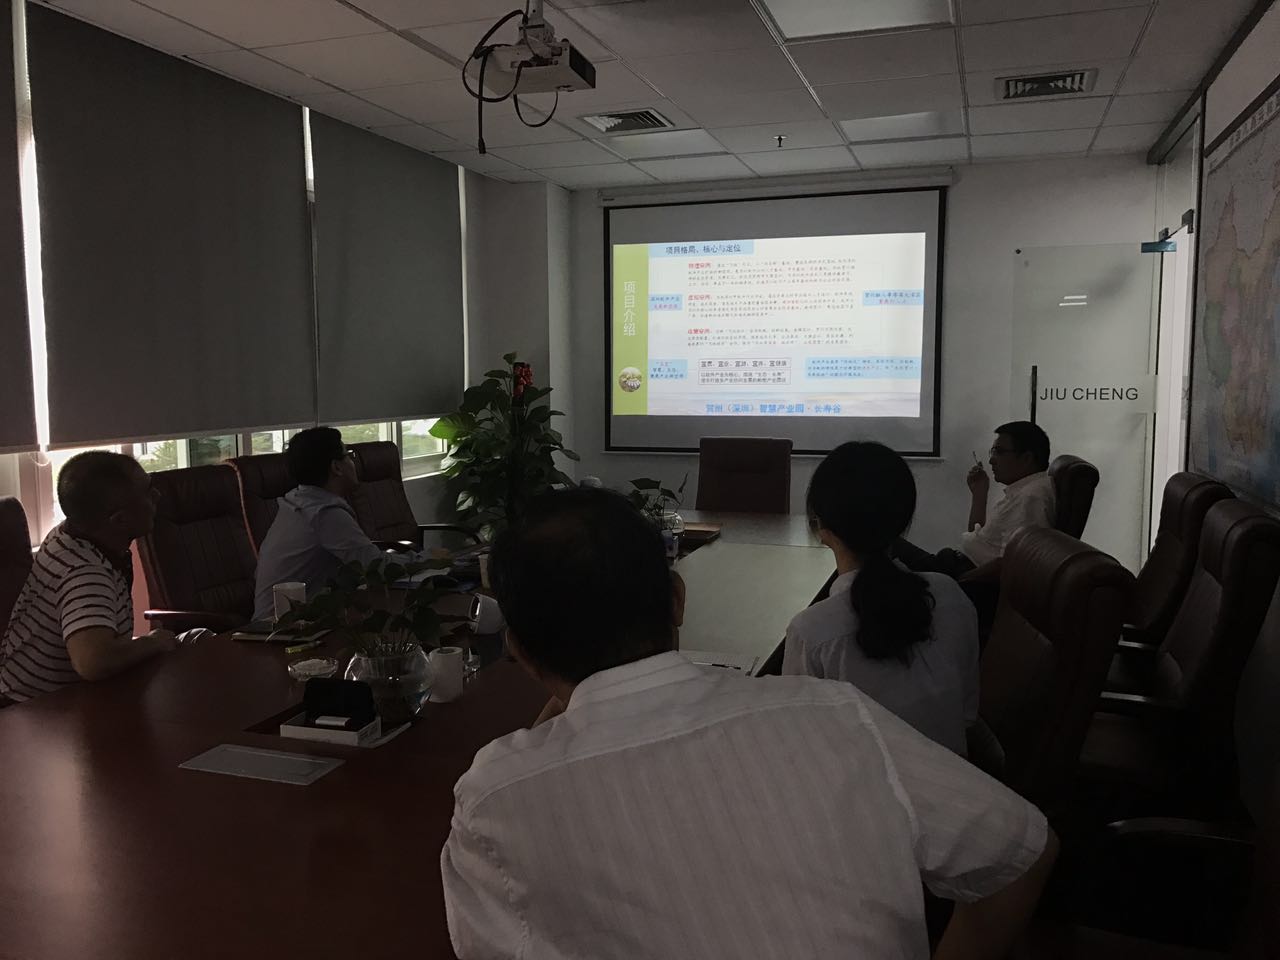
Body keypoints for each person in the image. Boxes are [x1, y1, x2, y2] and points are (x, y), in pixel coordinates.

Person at [441, 487, 1058, 959]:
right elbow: (1024, 854)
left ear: (517, 650)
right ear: (678, 599)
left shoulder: (497, 797)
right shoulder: (837, 714)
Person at [782, 441, 979, 756]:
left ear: (820, 525)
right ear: (902, 518)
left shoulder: (812, 632)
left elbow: (798, 745)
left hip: (856, 786)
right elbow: (967, 715)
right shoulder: (951, 596)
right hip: (955, 778)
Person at [0, 451, 176, 705]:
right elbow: (93, 661)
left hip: (33, 698)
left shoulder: (66, 535)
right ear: (120, 519)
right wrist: (153, 642)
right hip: (38, 710)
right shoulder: (85, 571)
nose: (157, 496)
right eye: (147, 492)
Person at [252, 427, 387, 620]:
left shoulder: (297, 501)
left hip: (278, 624)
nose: (353, 462)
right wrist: (428, 560)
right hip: (286, 629)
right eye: (349, 456)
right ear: (336, 467)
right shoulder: (323, 513)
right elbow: (376, 567)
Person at [897, 420, 1056, 580]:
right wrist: (979, 493)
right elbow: (979, 538)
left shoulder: (1031, 497)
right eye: (992, 452)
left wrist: (956, 583)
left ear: (1026, 458)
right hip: (956, 564)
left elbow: (1009, 564)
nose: (991, 460)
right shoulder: (1024, 490)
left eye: (999, 452)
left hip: (961, 572)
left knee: (889, 545)